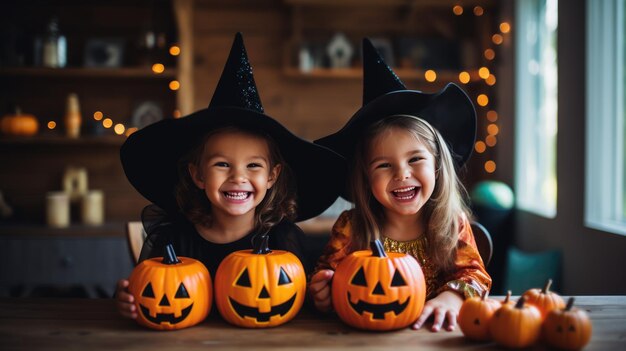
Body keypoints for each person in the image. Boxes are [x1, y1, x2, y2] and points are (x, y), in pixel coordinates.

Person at [116, 33, 344, 319]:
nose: (238, 177)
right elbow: (147, 291)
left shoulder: (283, 239)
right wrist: (127, 300)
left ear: (272, 176)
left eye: (253, 166)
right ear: (197, 175)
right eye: (222, 164)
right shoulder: (175, 239)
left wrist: (319, 296)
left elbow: (299, 301)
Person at [309, 38, 491, 332]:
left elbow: (475, 276)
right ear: (366, 177)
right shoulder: (351, 228)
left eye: (415, 159)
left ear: (436, 165)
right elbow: (326, 274)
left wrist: (452, 298)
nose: (402, 174)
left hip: (435, 337)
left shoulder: (451, 224)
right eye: (383, 165)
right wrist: (322, 292)